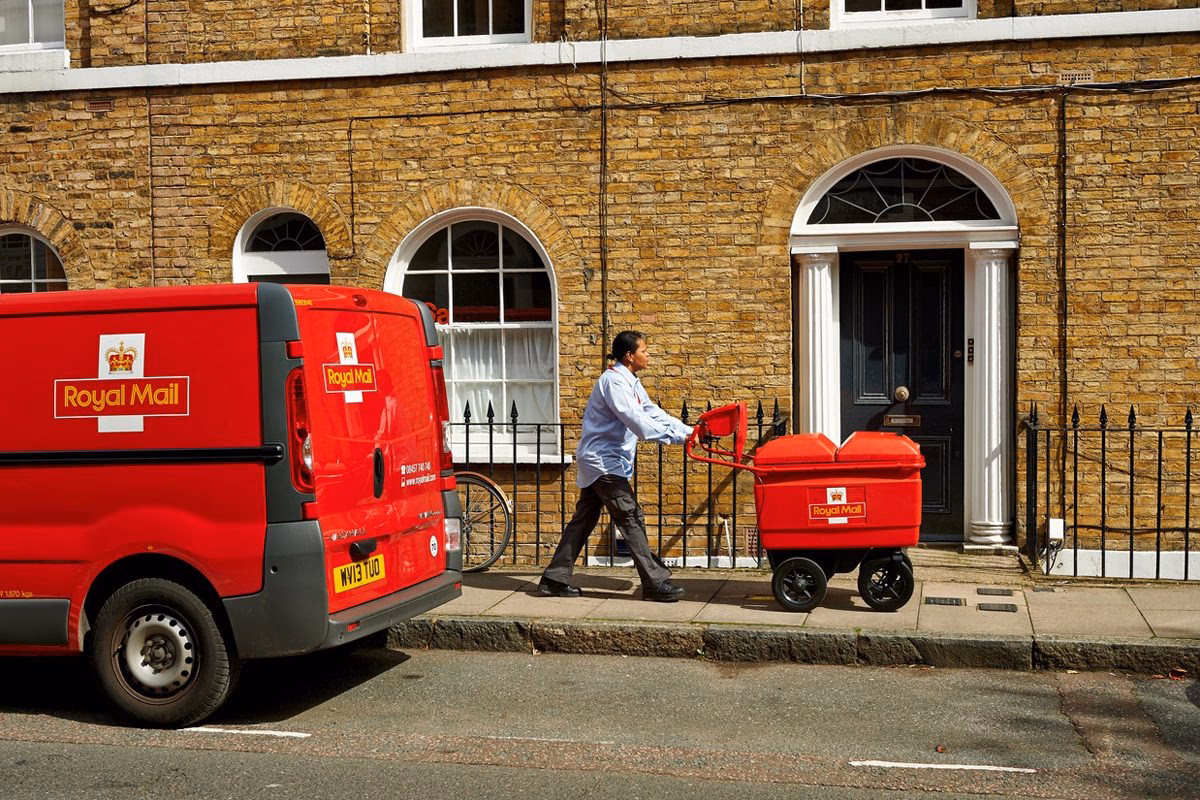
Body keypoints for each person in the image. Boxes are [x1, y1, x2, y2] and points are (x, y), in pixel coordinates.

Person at [538, 330, 693, 602]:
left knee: (584, 520)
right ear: (629, 355)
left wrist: (690, 432)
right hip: (603, 463)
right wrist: (678, 438)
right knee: (631, 517)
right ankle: (654, 582)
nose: (649, 355)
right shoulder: (613, 382)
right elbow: (637, 422)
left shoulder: (630, 382)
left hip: (605, 461)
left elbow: (652, 412)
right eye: (644, 350)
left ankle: (554, 579)